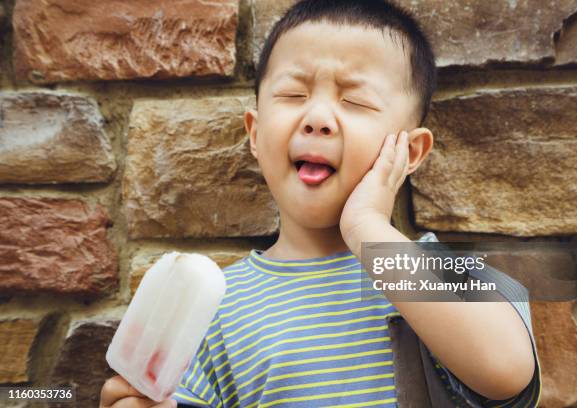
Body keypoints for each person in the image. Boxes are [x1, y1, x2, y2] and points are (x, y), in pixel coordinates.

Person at [100, 0, 541, 406]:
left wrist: (367, 228)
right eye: (294, 94)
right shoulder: (216, 307)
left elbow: (506, 371)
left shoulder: (444, 274)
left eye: (354, 101)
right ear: (255, 134)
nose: (317, 119)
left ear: (409, 152)